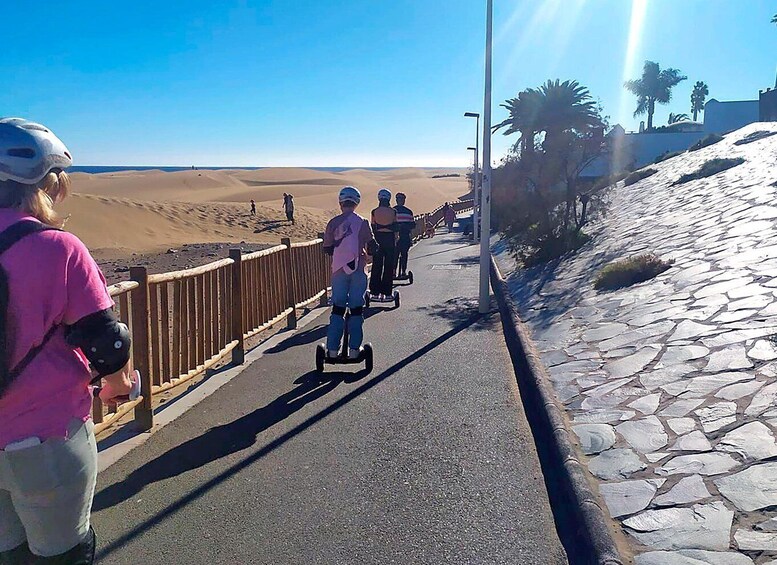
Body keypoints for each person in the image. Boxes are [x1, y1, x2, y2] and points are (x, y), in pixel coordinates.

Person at [0, 118, 134, 564]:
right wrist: (116, 384)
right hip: (44, 442)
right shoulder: (58, 248)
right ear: (44, 184)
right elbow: (107, 342)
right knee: (63, 554)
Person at [322, 187, 374, 359]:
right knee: (356, 309)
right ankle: (353, 350)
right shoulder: (363, 221)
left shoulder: (333, 222)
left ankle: (332, 350)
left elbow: (327, 248)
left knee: (337, 309)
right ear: (356, 203)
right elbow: (373, 245)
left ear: (340, 202)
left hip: (338, 270)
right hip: (359, 269)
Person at [369, 188, 398, 299]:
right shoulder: (393, 212)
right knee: (388, 266)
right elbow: (396, 227)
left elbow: (373, 226)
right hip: (389, 240)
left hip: (378, 239)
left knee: (377, 265)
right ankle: (387, 292)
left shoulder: (374, 211)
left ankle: (375, 292)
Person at [393, 192, 415, 277]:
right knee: (404, 254)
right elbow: (413, 225)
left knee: (395, 254)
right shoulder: (408, 212)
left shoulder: (393, 211)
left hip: (395, 237)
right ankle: (403, 272)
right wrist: (405, 226)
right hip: (405, 237)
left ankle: (394, 272)